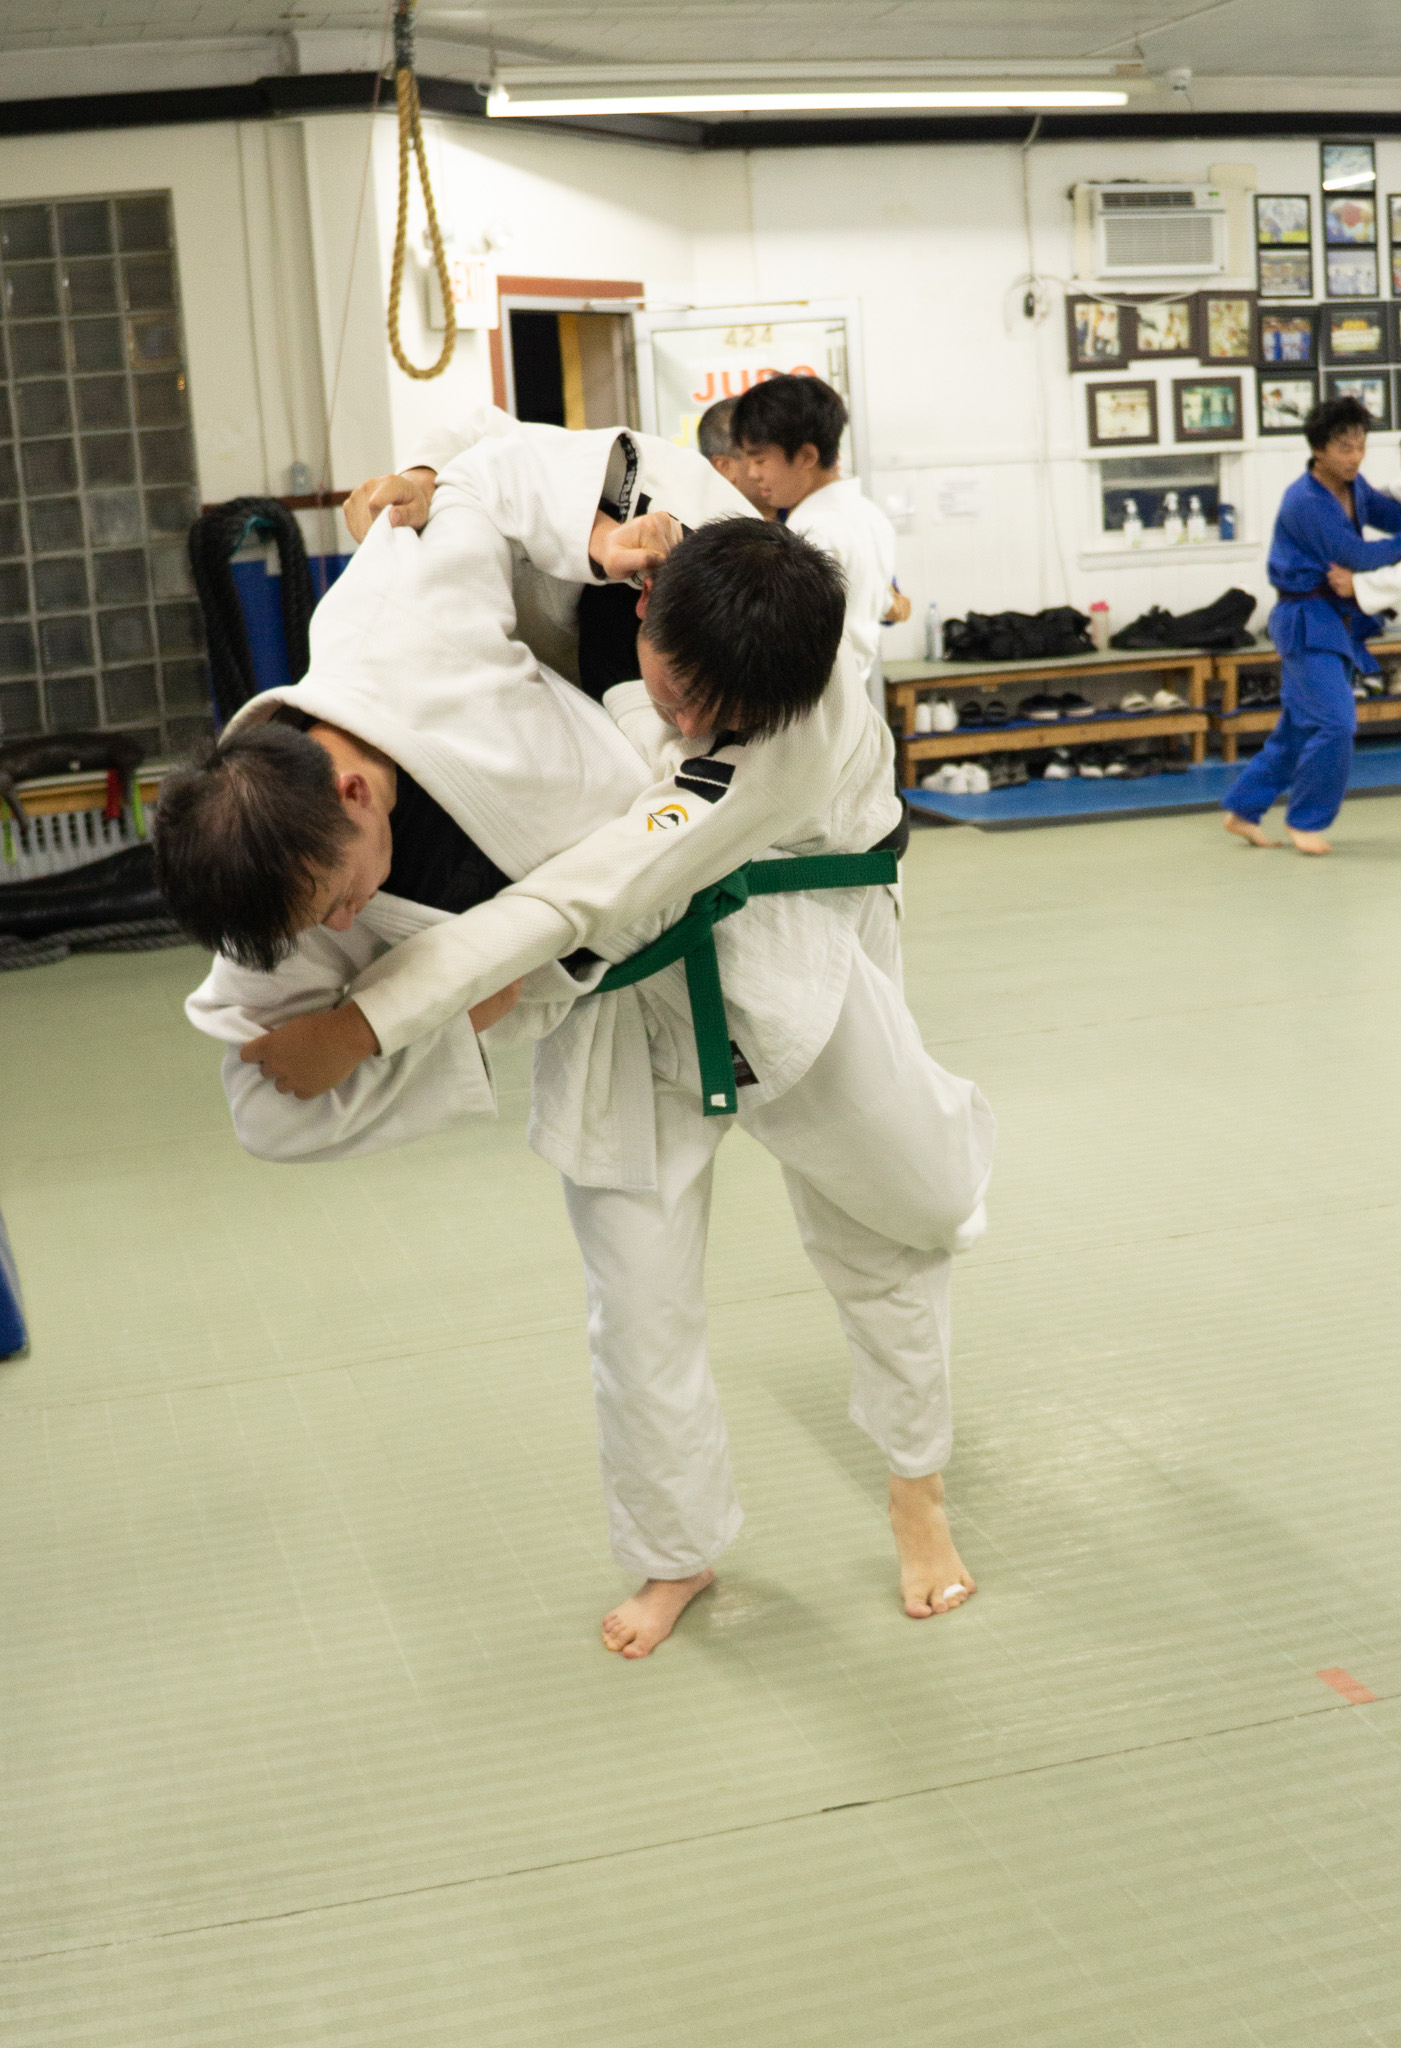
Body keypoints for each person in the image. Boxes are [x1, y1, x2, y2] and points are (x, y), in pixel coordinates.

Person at [162, 439, 995, 1658]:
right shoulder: (296, 832)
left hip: (767, 937)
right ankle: (674, 1552)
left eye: (338, 903)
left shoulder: (776, 701)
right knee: (638, 1302)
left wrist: (390, 1015)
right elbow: (483, 479)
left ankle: (916, 1483)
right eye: (319, 927)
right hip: (602, 1014)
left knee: (900, 1211)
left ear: (350, 800)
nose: (339, 928)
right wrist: (454, 1023)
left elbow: (585, 894)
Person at [1222, 395, 1401, 855]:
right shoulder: (1305, 501)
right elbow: (1358, 556)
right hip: (1304, 619)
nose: (1355, 457)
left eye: (1361, 446)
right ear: (1319, 449)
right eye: (1345, 448)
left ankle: (1243, 810)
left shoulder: (1355, 487)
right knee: (1338, 723)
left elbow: (1392, 517)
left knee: (1301, 726)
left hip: (1335, 619)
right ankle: (1306, 819)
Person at [730, 374, 899, 713]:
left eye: (760, 459)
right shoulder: (870, 515)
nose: (751, 472)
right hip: (849, 699)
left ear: (806, 456)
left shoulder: (813, 533)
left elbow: (786, 644)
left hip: (814, 706)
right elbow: (883, 607)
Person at [696, 396, 775, 515]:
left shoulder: (805, 514)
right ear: (724, 467)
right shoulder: (703, 527)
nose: (786, 463)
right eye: (760, 459)